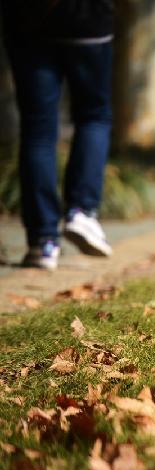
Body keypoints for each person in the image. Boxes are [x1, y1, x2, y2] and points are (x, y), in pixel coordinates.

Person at [1, 0, 115, 270]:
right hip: (87, 19)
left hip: (28, 19)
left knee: (37, 129)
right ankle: (82, 211)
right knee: (93, 116)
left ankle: (43, 241)